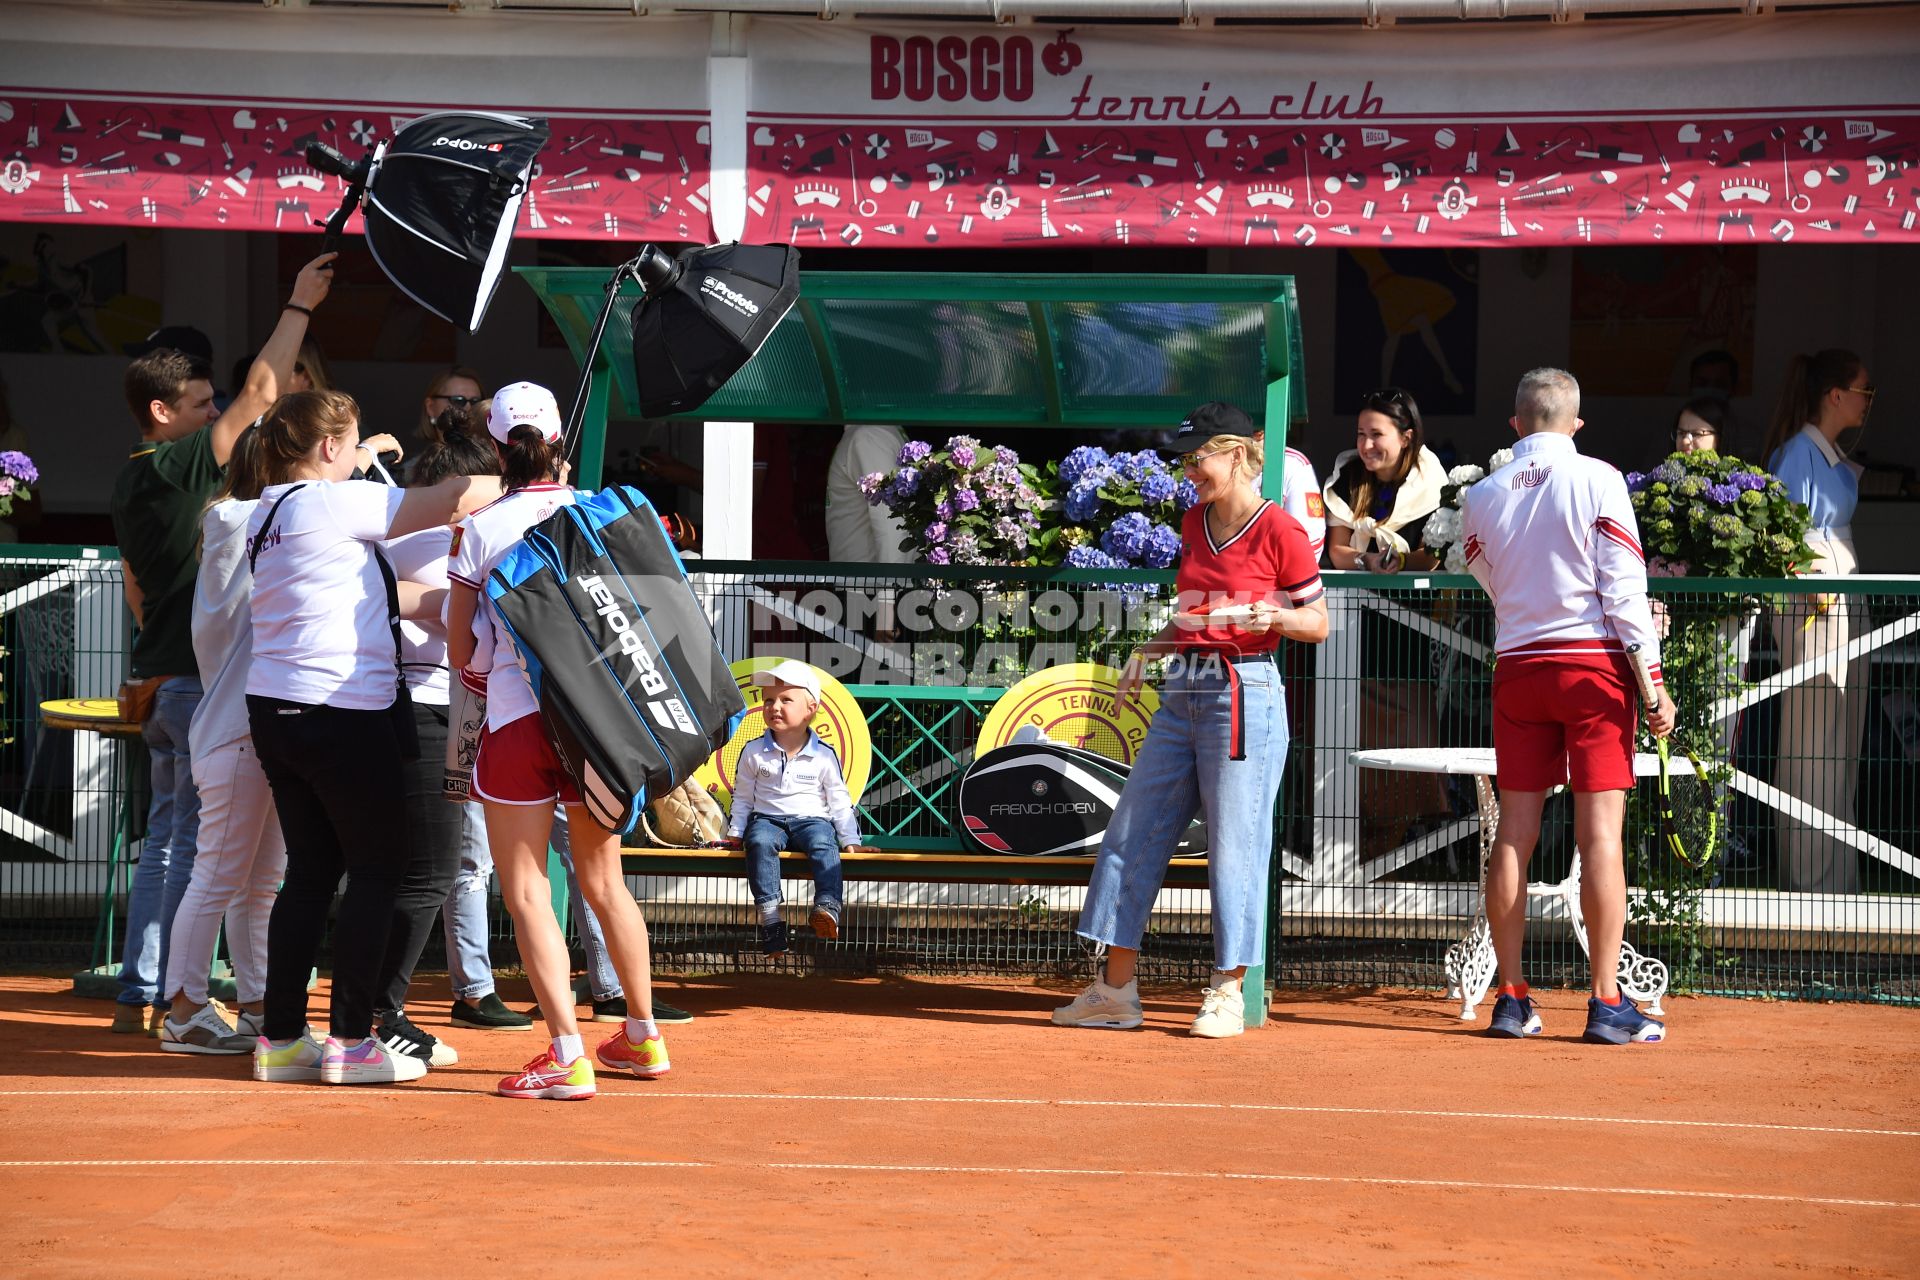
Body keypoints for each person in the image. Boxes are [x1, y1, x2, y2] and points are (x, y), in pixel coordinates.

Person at [107, 252, 336, 1037]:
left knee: (207, 859)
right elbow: (267, 392)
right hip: (207, 694)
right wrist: (299, 304)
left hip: (183, 682)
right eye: (204, 404)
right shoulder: (178, 476)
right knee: (209, 863)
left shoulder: (148, 484)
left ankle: (193, 999)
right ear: (162, 413)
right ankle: (175, 1002)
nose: (219, 413)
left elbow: (138, 587)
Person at [1055, 401, 1327, 1039]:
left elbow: (1318, 623)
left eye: (1198, 456)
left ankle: (1227, 991)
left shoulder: (1280, 530)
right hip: (1185, 690)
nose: (1189, 469)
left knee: (1235, 846)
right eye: (1186, 457)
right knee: (1132, 831)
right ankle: (1115, 992)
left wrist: (1276, 619)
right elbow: (1190, 614)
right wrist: (1148, 651)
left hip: (1245, 694)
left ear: (1236, 455)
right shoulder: (1193, 522)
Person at [447, 381, 670, 1101]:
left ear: (496, 445)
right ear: (559, 445)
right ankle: (642, 1037)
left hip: (518, 721)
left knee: (526, 891)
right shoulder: (598, 513)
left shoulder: (480, 528)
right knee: (606, 885)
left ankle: (568, 1054)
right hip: (603, 725)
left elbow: (463, 650)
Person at [244, 390, 475, 1086]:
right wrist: (532, 480)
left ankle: (282, 1038)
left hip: (278, 709)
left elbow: (349, 492)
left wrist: (366, 450)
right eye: (348, 445)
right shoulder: (328, 502)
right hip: (342, 710)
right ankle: (350, 1041)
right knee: (378, 869)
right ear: (325, 450)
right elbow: (450, 500)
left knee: (312, 873)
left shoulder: (270, 505)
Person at [1460, 367, 1677, 1045]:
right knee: (1600, 837)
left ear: (1516, 423)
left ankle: (1512, 996)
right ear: (1576, 424)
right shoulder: (1601, 479)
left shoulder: (1483, 493)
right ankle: (1606, 1002)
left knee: (1513, 834)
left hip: (1521, 664)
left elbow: (1483, 572)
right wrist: (1654, 682)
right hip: (1594, 669)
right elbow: (1624, 590)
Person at [1322, 388, 1453, 856]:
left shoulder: (1437, 483)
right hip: (1350, 627)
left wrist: (1402, 562)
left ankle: (1398, 844)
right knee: (1346, 731)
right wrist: (1367, 565)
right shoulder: (1347, 477)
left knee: (1407, 735)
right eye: (1360, 434)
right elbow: (1335, 549)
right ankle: (1354, 846)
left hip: (1412, 630)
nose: (1365, 445)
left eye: (1376, 434)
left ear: (1407, 437)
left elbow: (1438, 554)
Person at [1762, 348, 1872, 894]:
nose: (1867, 402)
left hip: (1839, 585)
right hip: (1816, 597)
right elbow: (1780, 534)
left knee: (1841, 729)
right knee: (1815, 731)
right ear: (1836, 395)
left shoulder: (1820, 451)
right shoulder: (1796, 454)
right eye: (1862, 391)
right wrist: (1811, 577)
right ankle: (1810, 880)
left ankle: (1834, 877)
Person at [723, 660, 870, 954]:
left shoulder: (824, 755)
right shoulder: (753, 751)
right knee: (760, 840)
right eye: (768, 700)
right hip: (767, 819)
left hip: (812, 820)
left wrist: (851, 841)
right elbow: (743, 797)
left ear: (811, 708)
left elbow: (839, 801)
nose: (774, 706)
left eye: (785, 699)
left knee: (822, 841)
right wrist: (736, 833)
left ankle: (827, 907)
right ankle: (771, 921)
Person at [824, 424, 911, 562]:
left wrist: (891, 582)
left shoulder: (868, 435)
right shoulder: (871, 433)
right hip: (865, 580)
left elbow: (891, 529)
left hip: (868, 582)